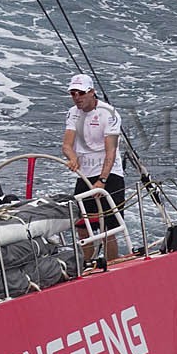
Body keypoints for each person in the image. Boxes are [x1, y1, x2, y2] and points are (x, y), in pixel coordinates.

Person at [61, 73, 124, 264]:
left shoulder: (109, 113)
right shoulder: (73, 113)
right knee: (82, 226)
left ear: (91, 92)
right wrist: (73, 158)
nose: (76, 97)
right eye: (73, 93)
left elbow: (111, 151)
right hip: (85, 174)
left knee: (108, 229)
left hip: (109, 174)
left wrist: (102, 180)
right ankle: (87, 265)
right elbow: (67, 145)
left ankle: (112, 265)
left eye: (80, 93)